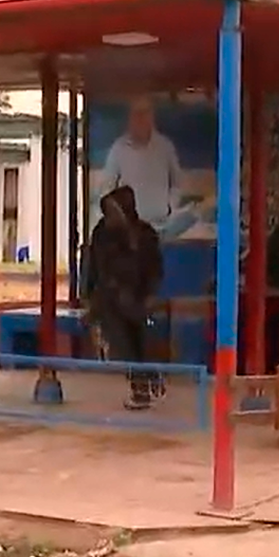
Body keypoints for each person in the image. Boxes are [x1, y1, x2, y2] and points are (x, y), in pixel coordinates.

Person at [84, 185, 164, 411]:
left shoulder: (144, 234)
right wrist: (88, 296)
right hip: (109, 300)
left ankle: (150, 377)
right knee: (123, 345)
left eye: (113, 211)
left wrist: (150, 295)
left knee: (140, 343)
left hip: (137, 299)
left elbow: (155, 268)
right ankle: (140, 389)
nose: (108, 217)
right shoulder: (101, 233)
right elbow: (93, 267)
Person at [101, 95, 184, 227]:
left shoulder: (165, 146)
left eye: (144, 113)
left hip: (161, 225)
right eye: (136, 114)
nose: (140, 119)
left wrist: (170, 207)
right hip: (129, 228)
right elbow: (107, 187)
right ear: (130, 118)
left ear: (151, 117)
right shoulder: (118, 148)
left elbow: (177, 183)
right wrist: (118, 217)